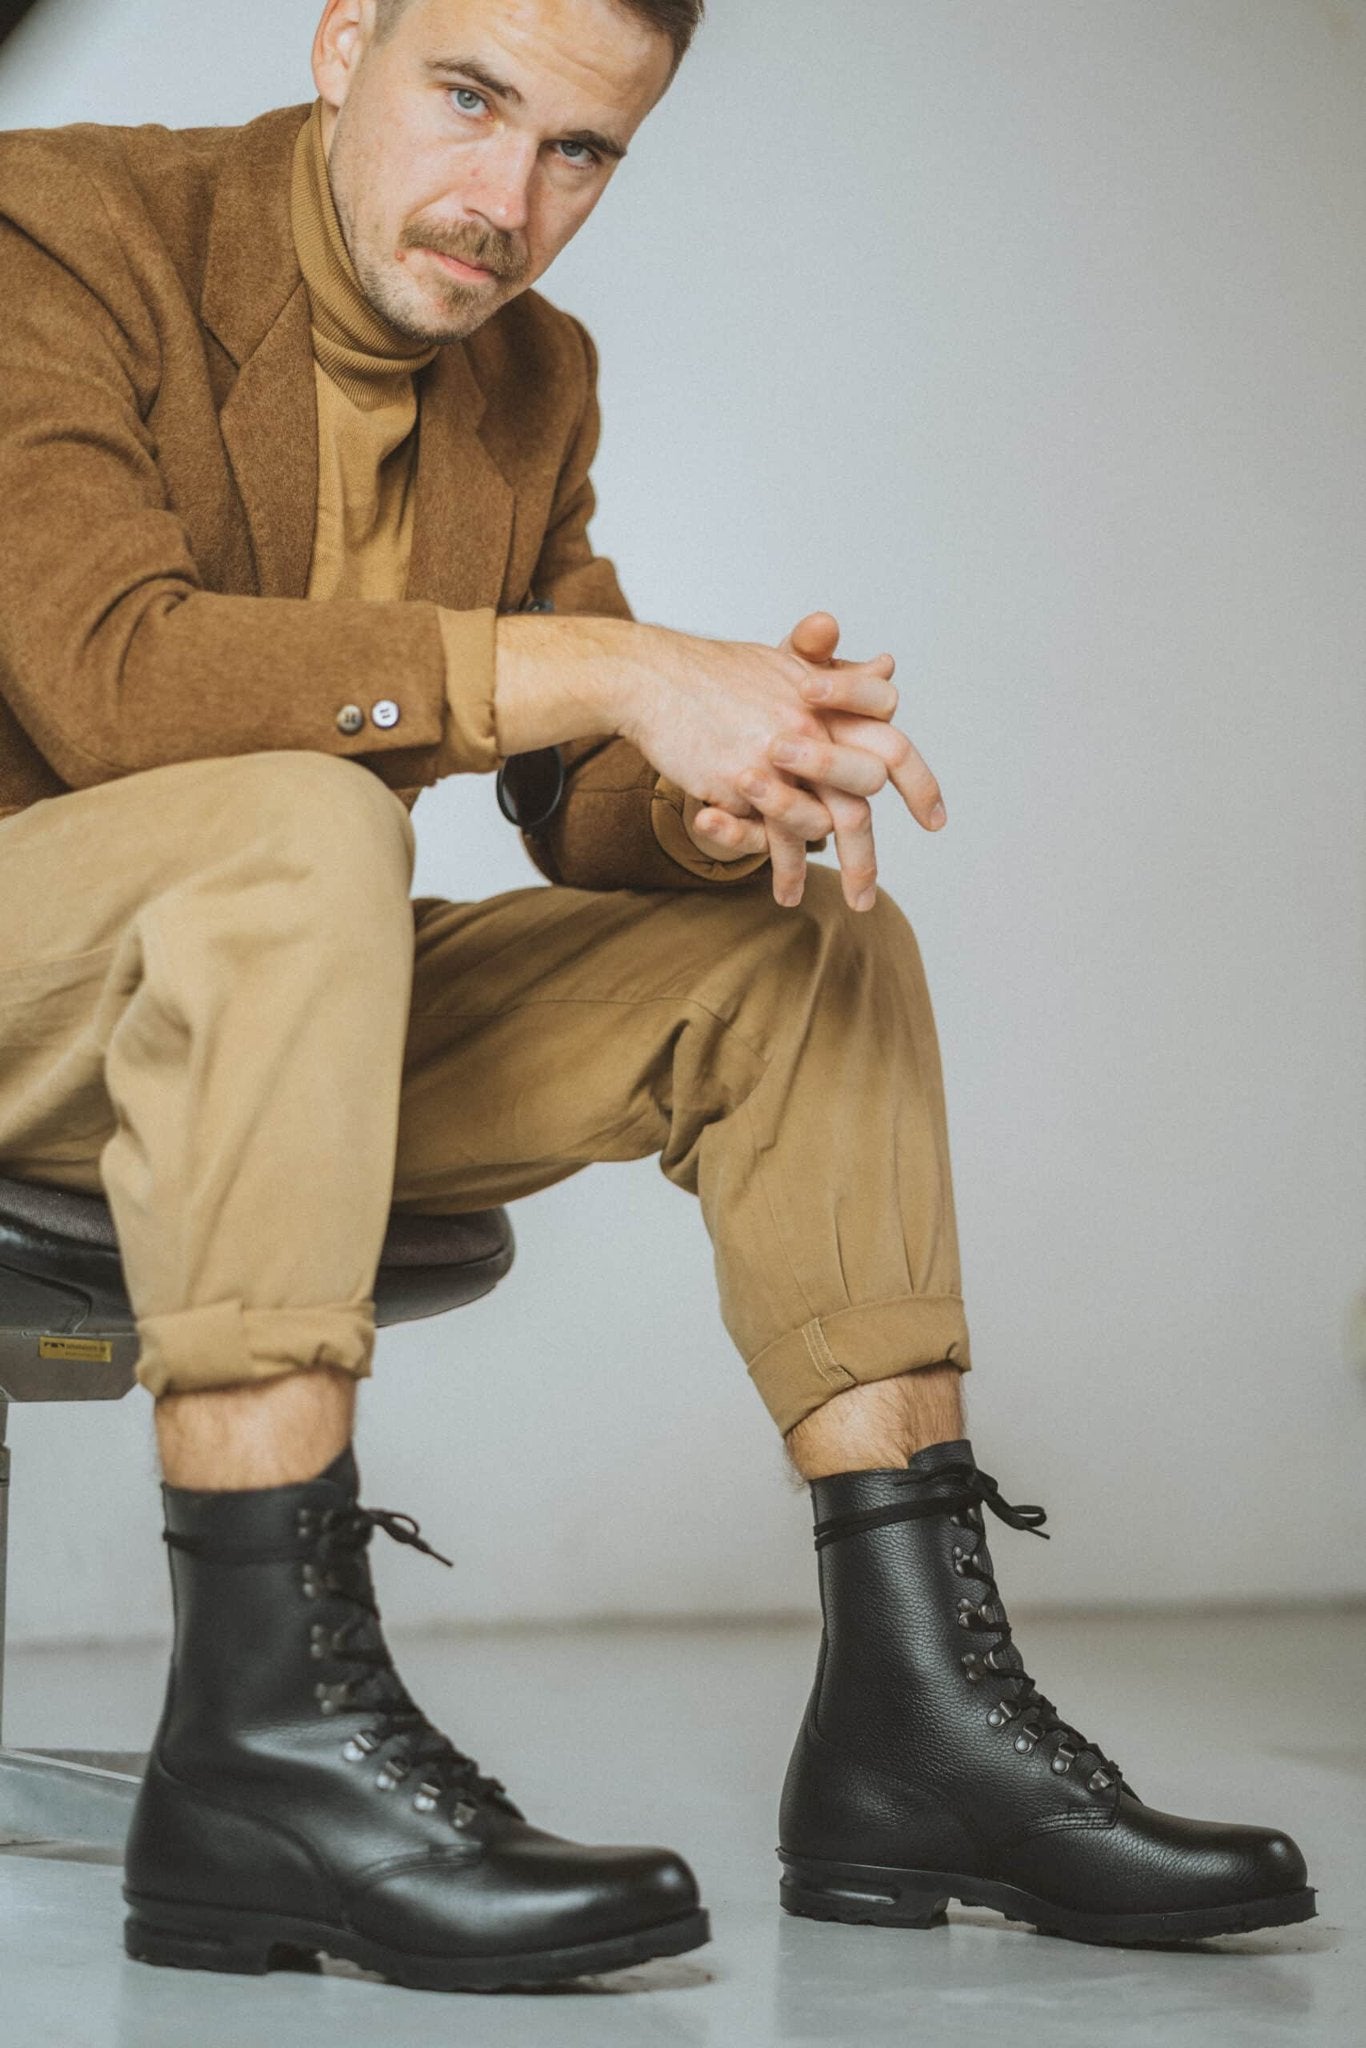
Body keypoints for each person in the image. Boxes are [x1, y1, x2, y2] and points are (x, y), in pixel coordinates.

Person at [0, 0, 1315, 1994]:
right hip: (52, 960)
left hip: (259, 999)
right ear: (344, 40)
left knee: (807, 943)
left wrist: (721, 795)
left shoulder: (531, 380)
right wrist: (613, 675)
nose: (504, 202)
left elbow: (567, 797)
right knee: (292, 824)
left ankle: (916, 1726)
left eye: (581, 153)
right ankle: (261, 1747)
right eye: (469, 99)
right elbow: (110, 676)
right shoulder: (58, 227)